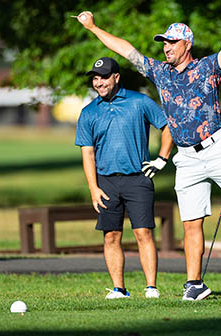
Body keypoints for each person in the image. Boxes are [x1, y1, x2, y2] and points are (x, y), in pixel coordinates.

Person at [74, 4, 221, 301]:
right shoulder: (160, 72)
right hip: (186, 156)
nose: (166, 48)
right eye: (163, 43)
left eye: (171, 42)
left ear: (187, 43)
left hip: (217, 147)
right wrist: (94, 28)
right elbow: (127, 51)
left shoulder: (208, 67)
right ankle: (194, 283)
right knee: (191, 221)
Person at [75, 57, 173, 300]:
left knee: (143, 233)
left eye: (104, 77)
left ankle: (151, 287)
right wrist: (93, 188)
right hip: (106, 181)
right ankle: (119, 289)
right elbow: (87, 153)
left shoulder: (139, 102)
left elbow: (167, 126)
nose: (99, 83)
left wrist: (162, 158)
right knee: (111, 236)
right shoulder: (88, 112)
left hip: (137, 179)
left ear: (116, 77)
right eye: (95, 78)